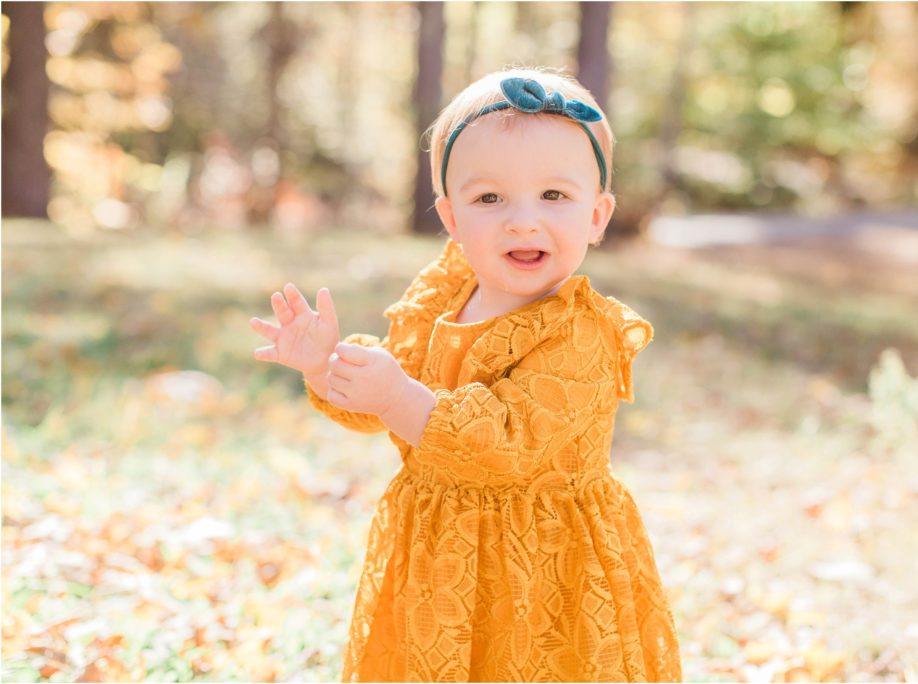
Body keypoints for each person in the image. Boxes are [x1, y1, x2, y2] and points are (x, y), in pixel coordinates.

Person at [250, 66, 683, 682]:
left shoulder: (582, 331)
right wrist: (325, 365)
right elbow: (382, 397)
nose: (522, 221)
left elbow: (506, 443)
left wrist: (398, 394)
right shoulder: (443, 296)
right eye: (490, 198)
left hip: (545, 566)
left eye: (554, 196)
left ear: (597, 214)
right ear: (452, 219)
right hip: (440, 555)